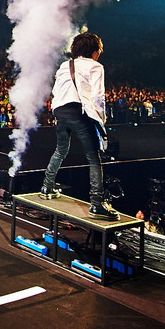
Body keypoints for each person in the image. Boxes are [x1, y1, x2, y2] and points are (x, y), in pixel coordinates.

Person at [39, 32, 118, 219]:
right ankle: (97, 204)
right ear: (95, 51)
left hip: (60, 110)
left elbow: (56, 90)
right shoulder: (96, 66)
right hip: (78, 111)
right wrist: (101, 119)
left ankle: (46, 187)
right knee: (93, 157)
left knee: (60, 150)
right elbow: (98, 97)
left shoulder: (65, 65)